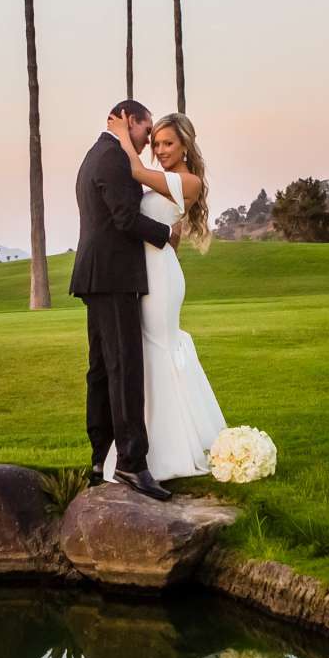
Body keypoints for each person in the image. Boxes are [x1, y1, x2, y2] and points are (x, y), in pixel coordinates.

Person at [101, 112, 229, 480]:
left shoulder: (187, 180)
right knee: (150, 352)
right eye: (156, 143)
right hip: (148, 272)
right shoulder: (169, 180)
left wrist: (122, 135)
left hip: (161, 278)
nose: (160, 149)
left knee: (157, 348)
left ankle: (165, 453)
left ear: (185, 144)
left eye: (168, 143)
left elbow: (138, 173)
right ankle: (148, 446)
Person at [72, 100, 173, 501]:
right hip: (113, 276)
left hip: (97, 275)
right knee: (124, 368)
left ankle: (101, 458)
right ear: (130, 121)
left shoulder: (97, 153)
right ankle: (131, 463)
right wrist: (166, 236)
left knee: (100, 369)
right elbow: (125, 219)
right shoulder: (112, 157)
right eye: (146, 132)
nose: (148, 141)